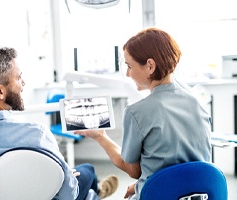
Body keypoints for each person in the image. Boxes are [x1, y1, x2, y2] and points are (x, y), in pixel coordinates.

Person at [0, 46, 118, 200]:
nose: (23, 83)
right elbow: (68, 195)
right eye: (18, 78)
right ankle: (96, 192)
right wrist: (67, 175)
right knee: (87, 171)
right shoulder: (36, 136)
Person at [75, 27, 212, 200]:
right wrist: (146, 184)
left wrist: (101, 136)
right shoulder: (198, 102)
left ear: (150, 65)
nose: (127, 73)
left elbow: (133, 170)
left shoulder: (137, 112)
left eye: (129, 66)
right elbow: (187, 165)